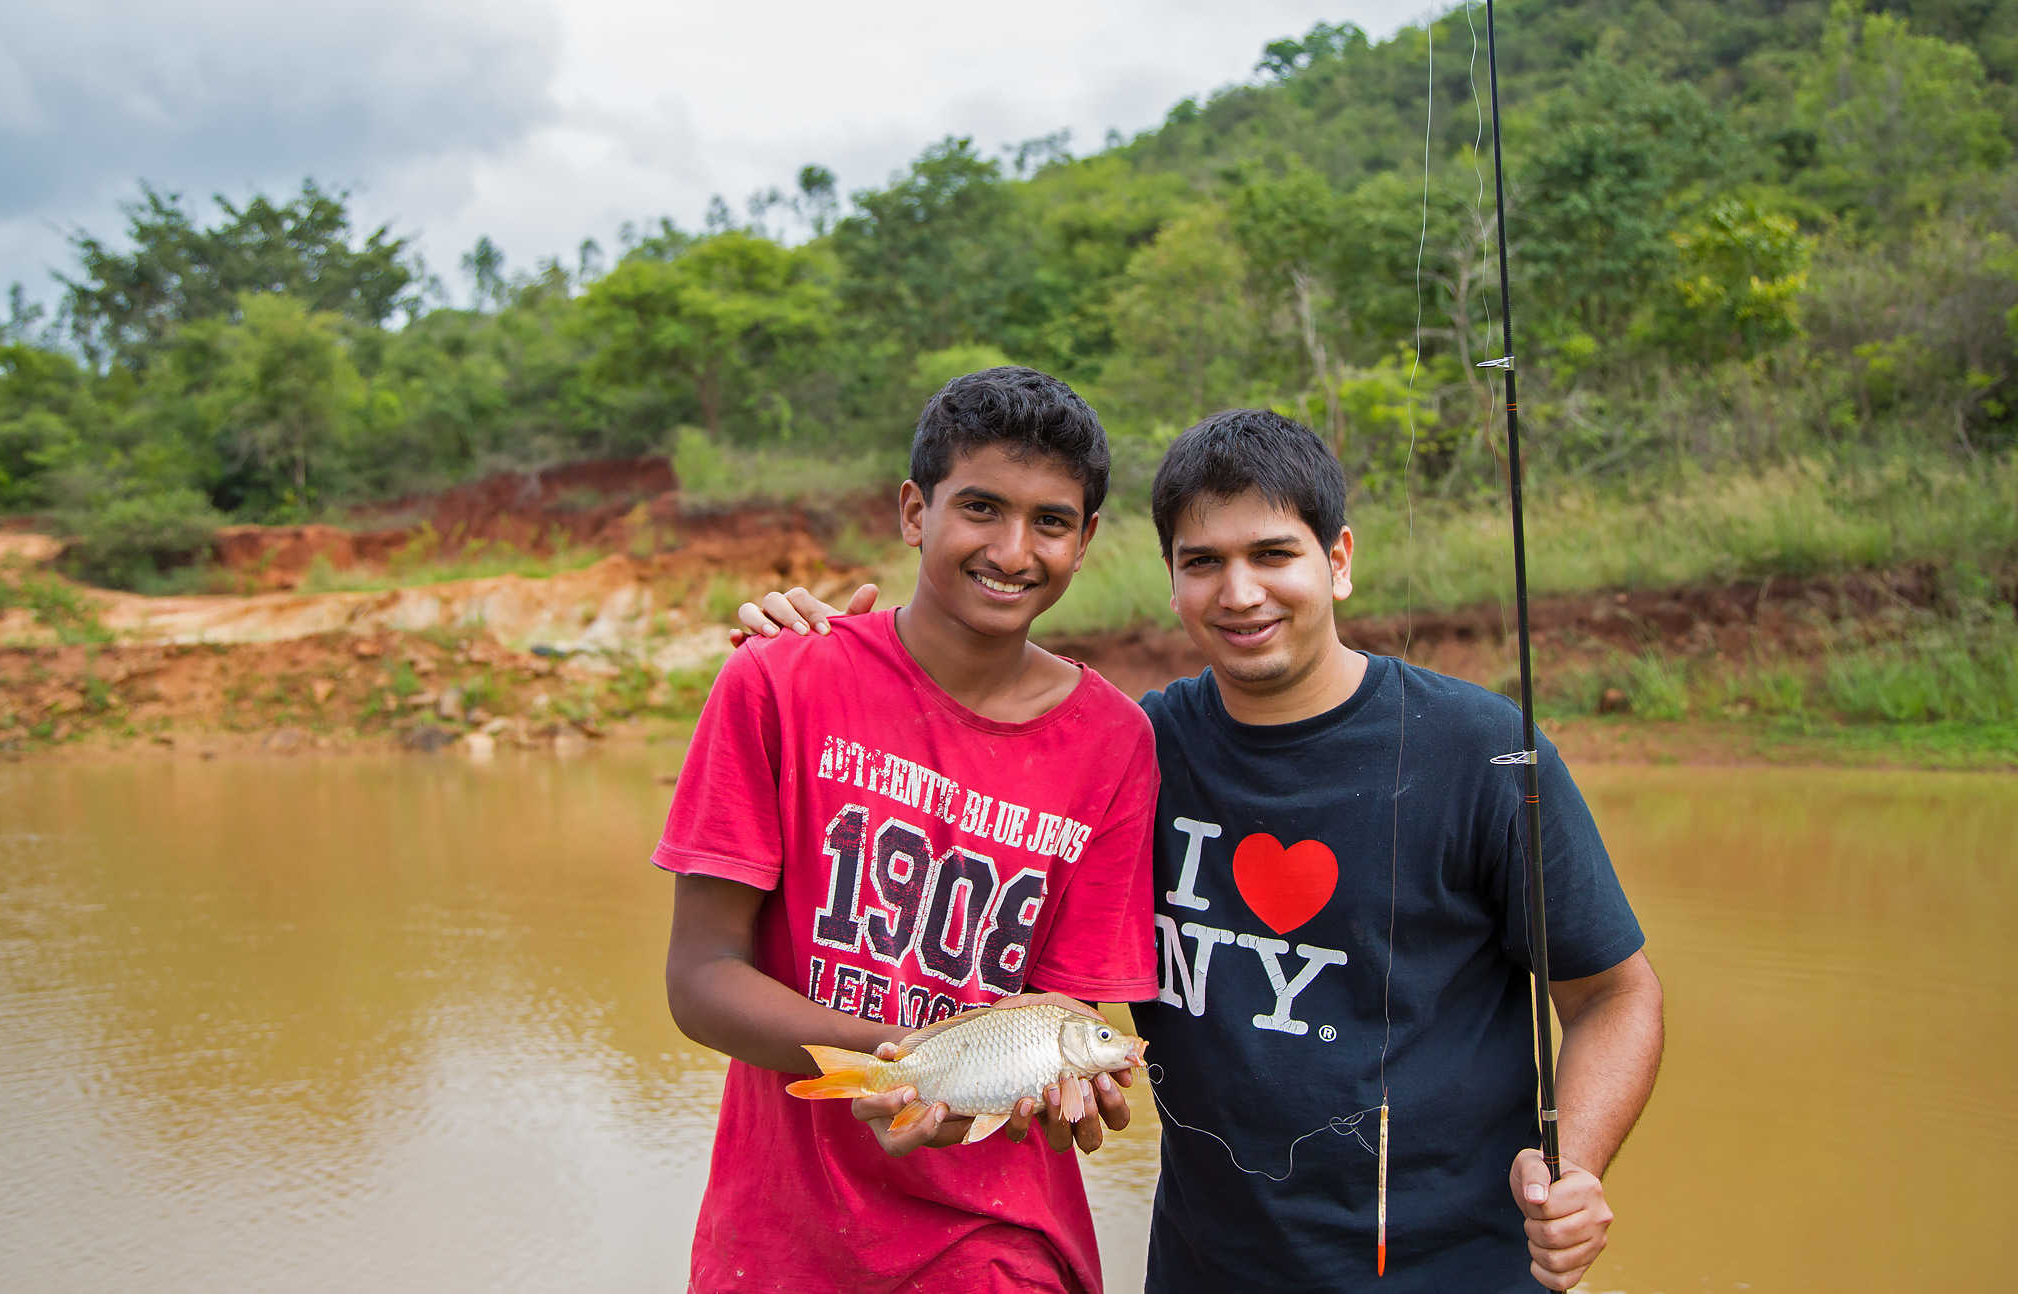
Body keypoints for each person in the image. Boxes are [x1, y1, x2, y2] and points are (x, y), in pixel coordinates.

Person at [735, 407, 1664, 1293]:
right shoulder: (1134, 752)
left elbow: (1614, 995)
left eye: (1273, 554)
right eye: (1203, 562)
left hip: (1453, 1269)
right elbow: (998, 902)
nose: (1241, 592)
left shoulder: (1484, 753)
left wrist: (1573, 1169)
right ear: (1171, 578)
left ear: (1338, 560)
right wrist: (821, 656)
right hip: (1204, 1266)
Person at [658, 365, 1161, 1294]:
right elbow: (699, 981)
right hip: (780, 1246)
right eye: (980, 507)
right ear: (913, 511)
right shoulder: (779, 679)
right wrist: (894, 1058)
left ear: (1085, 540)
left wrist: (1063, 1095)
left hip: (1001, 1246)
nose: (1013, 550)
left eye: (1051, 521)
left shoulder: (1114, 743)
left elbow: (1063, 1022)